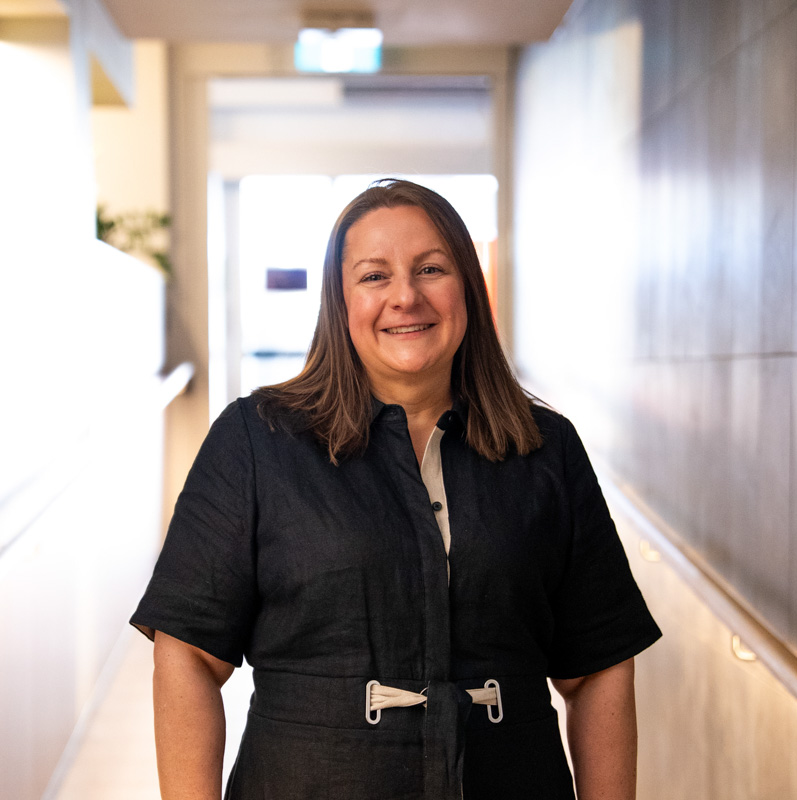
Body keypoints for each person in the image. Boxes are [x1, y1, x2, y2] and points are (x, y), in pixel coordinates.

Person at [131, 178, 661, 800]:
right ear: (340, 300)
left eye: (430, 268)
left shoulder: (545, 448)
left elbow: (598, 667)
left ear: (467, 285)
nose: (405, 297)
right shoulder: (256, 441)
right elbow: (188, 654)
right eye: (374, 276)